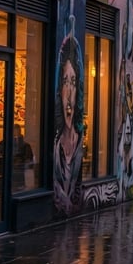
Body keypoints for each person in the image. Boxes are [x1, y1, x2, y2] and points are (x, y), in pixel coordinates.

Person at [54, 35, 85, 214]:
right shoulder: (54, 143)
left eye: (73, 82)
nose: (69, 91)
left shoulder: (80, 143)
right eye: (65, 82)